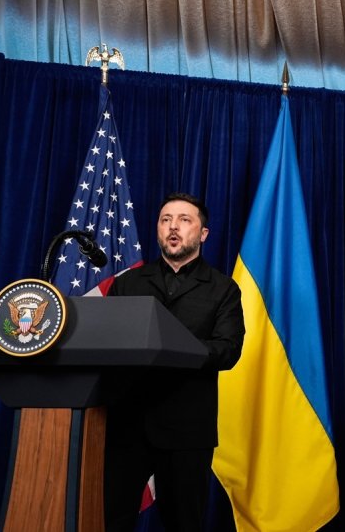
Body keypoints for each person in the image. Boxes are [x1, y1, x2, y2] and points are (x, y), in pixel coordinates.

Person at [104, 192, 245, 531]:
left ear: (203, 233)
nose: (173, 227)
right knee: (111, 521)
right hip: (128, 426)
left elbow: (227, 350)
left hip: (187, 431)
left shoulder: (223, 289)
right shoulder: (127, 283)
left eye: (184, 220)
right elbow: (107, 340)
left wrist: (171, 348)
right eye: (166, 220)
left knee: (184, 524)